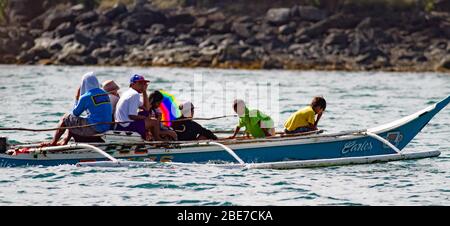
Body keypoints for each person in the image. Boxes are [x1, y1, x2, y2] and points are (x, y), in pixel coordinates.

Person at [43, 72, 112, 146]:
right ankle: (65, 141)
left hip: (95, 128)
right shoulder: (104, 93)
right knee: (74, 120)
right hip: (106, 126)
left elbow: (75, 113)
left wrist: (76, 98)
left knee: (66, 118)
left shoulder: (86, 96)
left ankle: (53, 142)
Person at [114, 74, 163, 141]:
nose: (142, 86)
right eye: (140, 83)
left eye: (144, 84)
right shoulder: (134, 94)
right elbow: (132, 116)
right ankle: (158, 139)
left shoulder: (127, 92)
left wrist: (144, 91)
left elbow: (147, 108)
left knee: (145, 113)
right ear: (132, 84)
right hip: (126, 126)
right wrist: (145, 118)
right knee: (154, 121)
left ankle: (147, 137)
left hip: (120, 124)